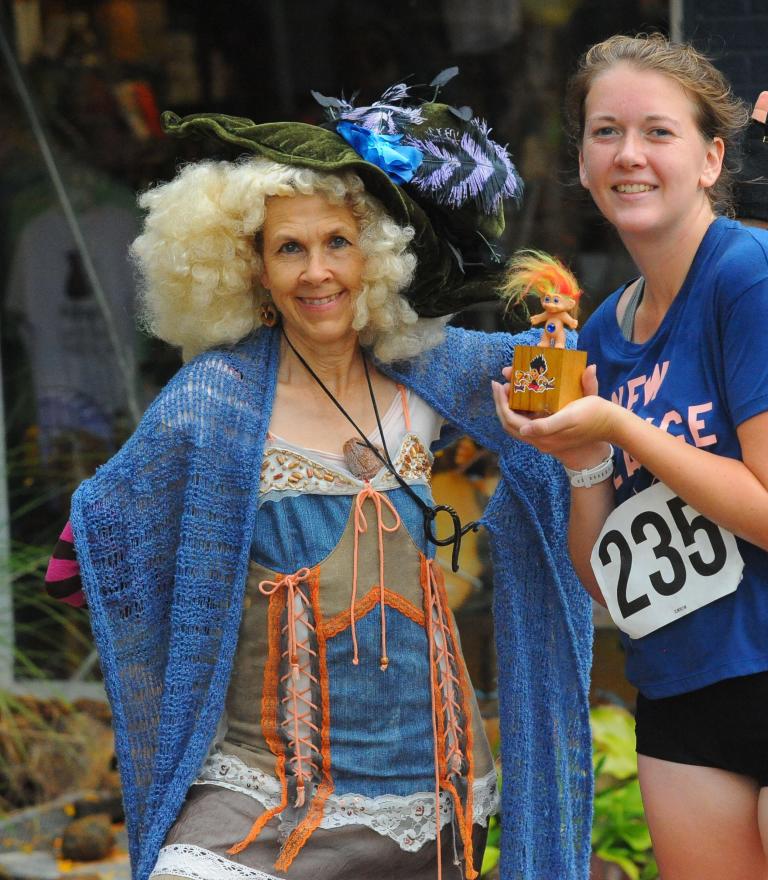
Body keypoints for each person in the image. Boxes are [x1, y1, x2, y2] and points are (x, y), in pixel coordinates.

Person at [46, 85, 596, 880]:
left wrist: (555, 346)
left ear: (373, 256)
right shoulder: (212, 402)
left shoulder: (428, 368)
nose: (317, 273)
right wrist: (183, 601)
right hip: (263, 790)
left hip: (435, 792)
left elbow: (561, 408)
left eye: (337, 242)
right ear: (252, 270)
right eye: (288, 249)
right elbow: (94, 556)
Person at [492, 33, 768, 880]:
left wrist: (617, 425)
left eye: (658, 132)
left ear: (712, 157)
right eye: (605, 132)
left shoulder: (759, 276)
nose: (629, 155)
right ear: (580, 163)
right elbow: (609, 576)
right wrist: (583, 462)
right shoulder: (606, 330)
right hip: (685, 702)